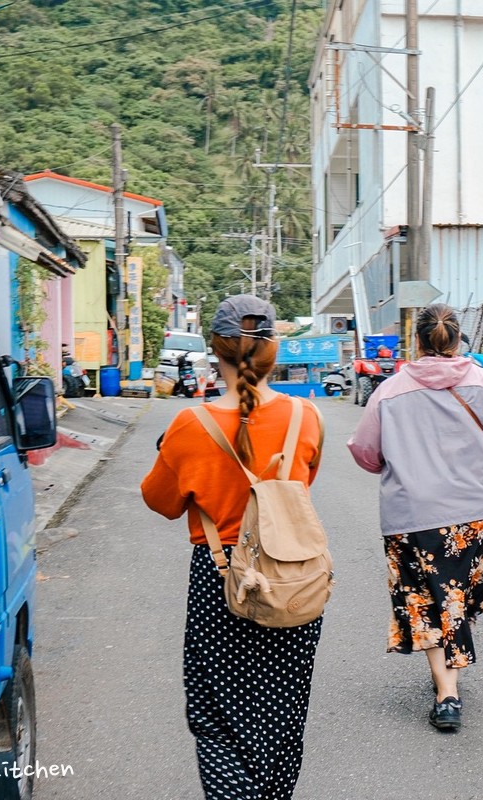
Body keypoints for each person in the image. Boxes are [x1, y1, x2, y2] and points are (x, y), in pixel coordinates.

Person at [141, 294, 324, 798]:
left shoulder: (188, 425)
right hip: (290, 579)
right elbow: (299, 487)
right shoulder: (305, 417)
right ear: (273, 352)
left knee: (218, 715)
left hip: (219, 584)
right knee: (282, 712)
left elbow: (161, 502)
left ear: (214, 350)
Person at [348, 304, 483, 733]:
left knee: (424, 597)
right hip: (479, 513)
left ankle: (447, 689)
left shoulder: (389, 391)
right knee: (458, 592)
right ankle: (447, 687)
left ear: (417, 341)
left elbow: (365, 452)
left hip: (411, 515)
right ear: (459, 340)